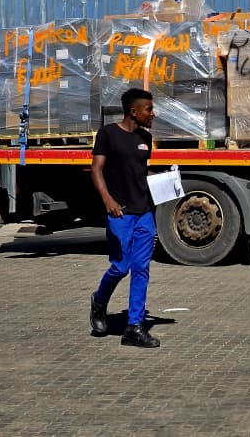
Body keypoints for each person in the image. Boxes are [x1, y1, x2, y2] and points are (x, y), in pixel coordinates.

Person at [88, 87, 160, 347]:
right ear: (133, 111)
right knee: (121, 266)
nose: (153, 114)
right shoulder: (108, 134)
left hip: (144, 212)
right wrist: (108, 200)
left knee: (141, 268)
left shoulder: (145, 138)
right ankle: (99, 300)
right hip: (120, 212)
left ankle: (134, 327)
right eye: (148, 109)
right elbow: (97, 170)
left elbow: (140, 171)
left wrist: (165, 180)